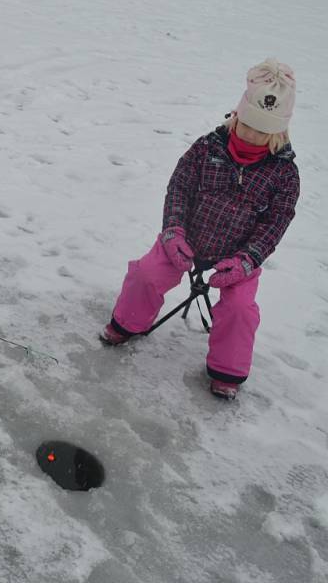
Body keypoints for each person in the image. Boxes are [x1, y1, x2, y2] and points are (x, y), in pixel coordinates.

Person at [100, 58, 299, 400]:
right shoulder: (207, 148)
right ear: (236, 116)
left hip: (237, 257)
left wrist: (247, 260)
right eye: (247, 126)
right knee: (146, 274)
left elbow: (275, 223)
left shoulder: (284, 175)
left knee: (240, 309)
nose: (251, 136)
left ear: (278, 133)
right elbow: (179, 187)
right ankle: (126, 323)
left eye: (262, 132)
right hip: (186, 239)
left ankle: (227, 372)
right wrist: (173, 230)